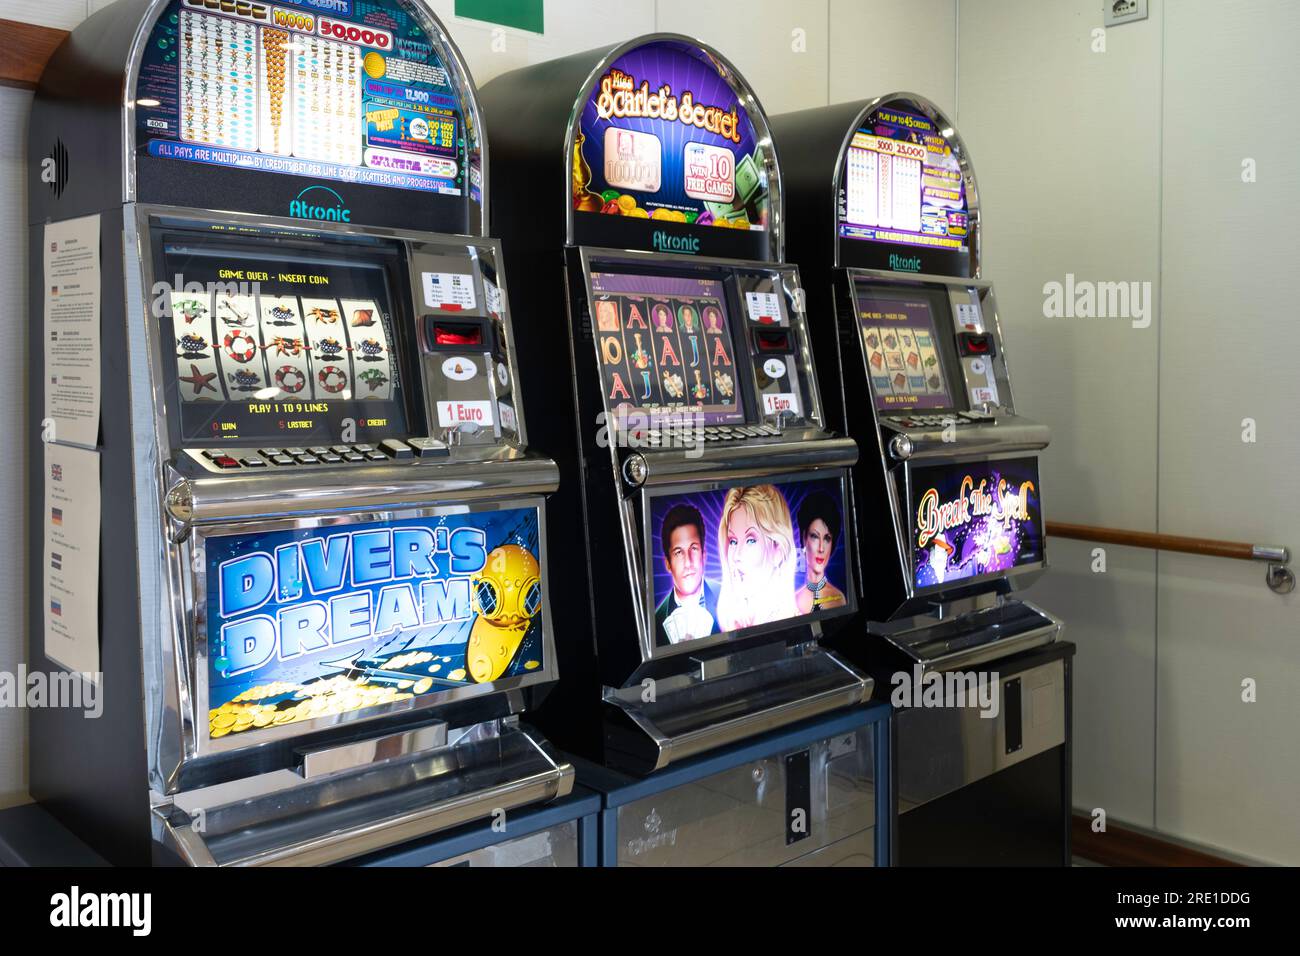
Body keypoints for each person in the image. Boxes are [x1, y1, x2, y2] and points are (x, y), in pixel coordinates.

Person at [715, 485, 799, 631]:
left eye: (751, 540)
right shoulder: (731, 622)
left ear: (778, 549)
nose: (736, 556)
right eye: (733, 541)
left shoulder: (796, 626)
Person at [654, 504, 719, 644]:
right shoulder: (655, 623)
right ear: (668, 564)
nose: (688, 562)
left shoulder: (730, 599)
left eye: (693, 548)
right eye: (678, 552)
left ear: (704, 555)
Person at [796, 490, 848, 613]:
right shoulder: (794, 600)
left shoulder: (838, 599)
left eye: (827, 538)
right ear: (804, 538)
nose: (821, 548)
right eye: (814, 536)